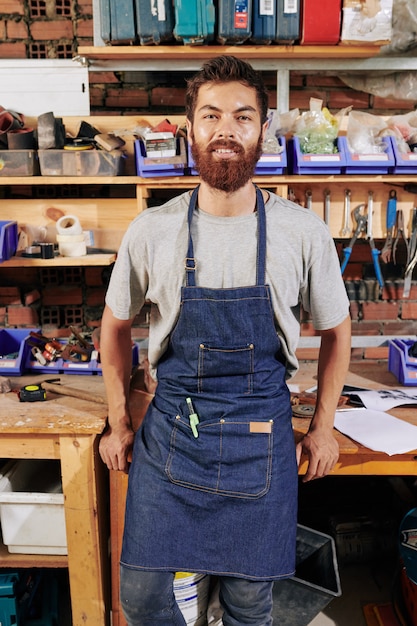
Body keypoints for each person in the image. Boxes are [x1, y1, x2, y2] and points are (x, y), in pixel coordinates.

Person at [99, 55, 351, 626]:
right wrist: (118, 421)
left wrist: (324, 426)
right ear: (190, 128)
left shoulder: (302, 232)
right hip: (172, 436)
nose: (226, 130)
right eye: (211, 115)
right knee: (139, 598)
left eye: (243, 116)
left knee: (247, 601)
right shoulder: (152, 229)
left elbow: (338, 331)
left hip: (259, 435)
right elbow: (114, 328)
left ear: (263, 129)